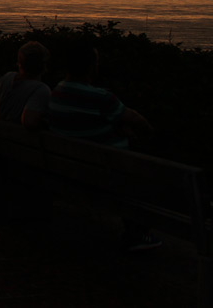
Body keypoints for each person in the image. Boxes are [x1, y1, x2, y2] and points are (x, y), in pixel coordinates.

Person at [49, 41, 161, 251]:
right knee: (146, 167)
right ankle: (136, 234)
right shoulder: (100, 97)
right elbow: (137, 119)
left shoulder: (57, 92)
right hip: (104, 175)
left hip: (69, 170)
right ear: (91, 67)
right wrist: (149, 131)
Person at [0, 41, 51, 129]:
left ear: (20, 63)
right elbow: (29, 121)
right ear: (42, 65)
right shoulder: (41, 89)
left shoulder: (6, 78)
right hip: (21, 137)